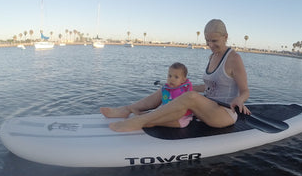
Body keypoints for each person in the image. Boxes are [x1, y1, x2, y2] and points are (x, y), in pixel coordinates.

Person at [100, 19, 250, 132]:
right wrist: (182, 86)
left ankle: (139, 121)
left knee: (189, 96)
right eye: (207, 40)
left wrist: (239, 99)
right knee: (168, 88)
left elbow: (245, 91)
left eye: (214, 41)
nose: (210, 45)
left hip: (224, 114)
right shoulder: (212, 56)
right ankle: (126, 109)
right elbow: (210, 86)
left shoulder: (234, 59)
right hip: (207, 106)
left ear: (226, 37)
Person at [160, 62, 193, 128]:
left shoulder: (181, 92)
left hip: (182, 118)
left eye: (176, 77)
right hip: (169, 113)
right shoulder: (168, 88)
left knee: (161, 121)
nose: (171, 79)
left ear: (183, 80)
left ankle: (155, 123)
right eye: (170, 76)